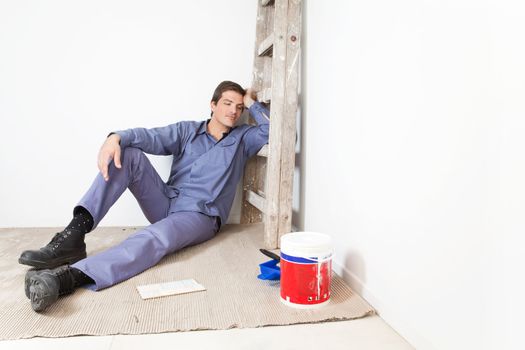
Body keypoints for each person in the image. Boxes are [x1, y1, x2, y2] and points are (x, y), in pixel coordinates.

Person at [19, 81, 269, 312]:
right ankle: (73, 236)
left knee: (154, 236)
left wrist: (251, 103)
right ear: (213, 105)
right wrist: (114, 137)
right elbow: (151, 136)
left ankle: (68, 277)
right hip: (167, 201)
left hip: (200, 215)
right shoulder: (187, 131)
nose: (234, 111)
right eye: (227, 103)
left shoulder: (243, 139)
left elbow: (273, 131)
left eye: (238, 107)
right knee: (128, 154)